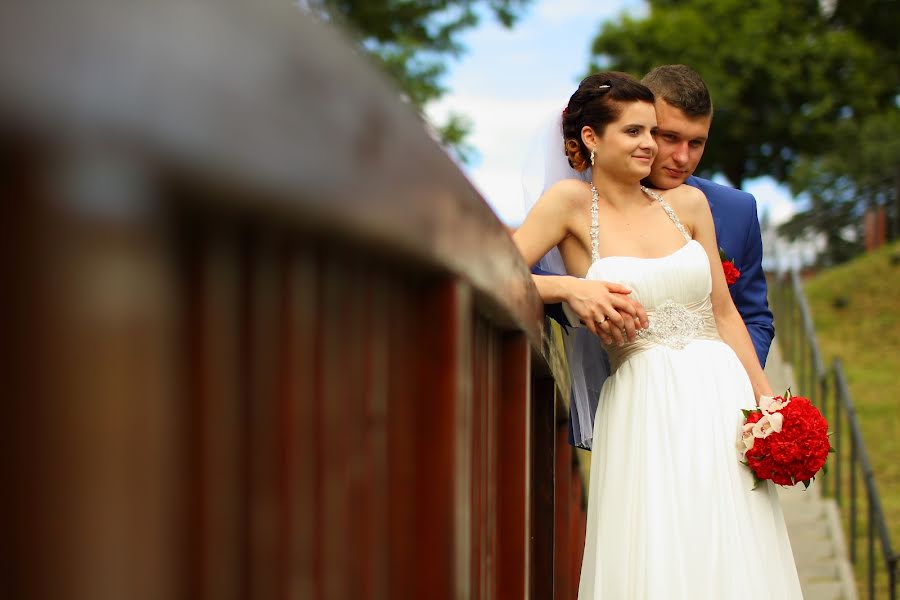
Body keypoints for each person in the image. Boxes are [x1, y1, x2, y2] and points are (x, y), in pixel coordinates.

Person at [513, 71, 802, 599]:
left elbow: (727, 313)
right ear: (591, 139)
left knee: (733, 542)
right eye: (636, 132)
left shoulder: (689, 205)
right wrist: (568, 289)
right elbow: (495, 267)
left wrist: (767, 400)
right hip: (643, 396)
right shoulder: (567, 205)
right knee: (657, 546)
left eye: (654, 132)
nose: (652, 145)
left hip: (721, 393)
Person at [536, 64, 774, 449]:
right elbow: (526, 273)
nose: (682, 157)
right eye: (669, 137)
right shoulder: (575, 203)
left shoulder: (732, 210)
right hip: (634, 400)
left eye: (697, 143)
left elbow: (749, 315)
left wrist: (743, 393)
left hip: (721, 402)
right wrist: (577, 298)